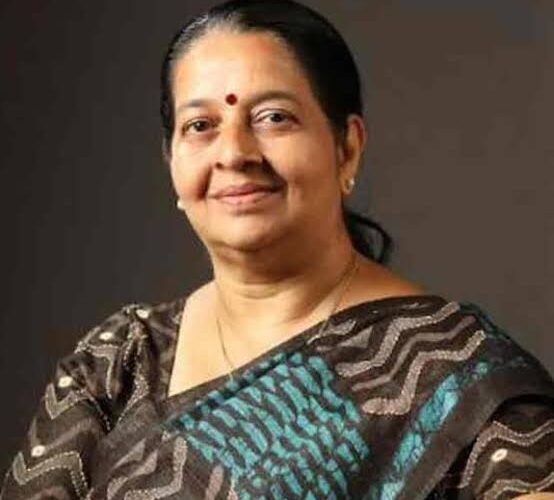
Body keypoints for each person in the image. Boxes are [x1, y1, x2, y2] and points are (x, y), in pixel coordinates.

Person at [2, 0, 553, 498]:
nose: (234, 152)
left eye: (273, 118)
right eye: (201, 125)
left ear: (347, 147)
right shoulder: (120, 360)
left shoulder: (454, 374)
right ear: (172, 162)